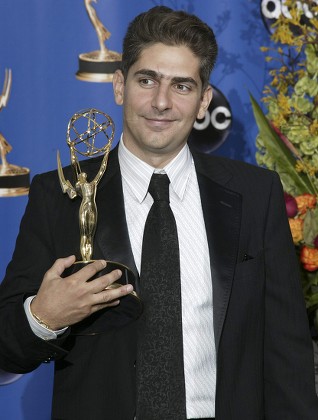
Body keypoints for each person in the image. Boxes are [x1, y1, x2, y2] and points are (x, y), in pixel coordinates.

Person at [0, 5, 317, 420]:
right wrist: (43, 317)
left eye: (182, 86)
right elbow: (7, 346)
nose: (161, 102)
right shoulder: (59, 195)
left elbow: (287, 353)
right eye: (146, 80)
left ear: (204, 101)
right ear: (119, 85)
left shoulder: (255, 194)